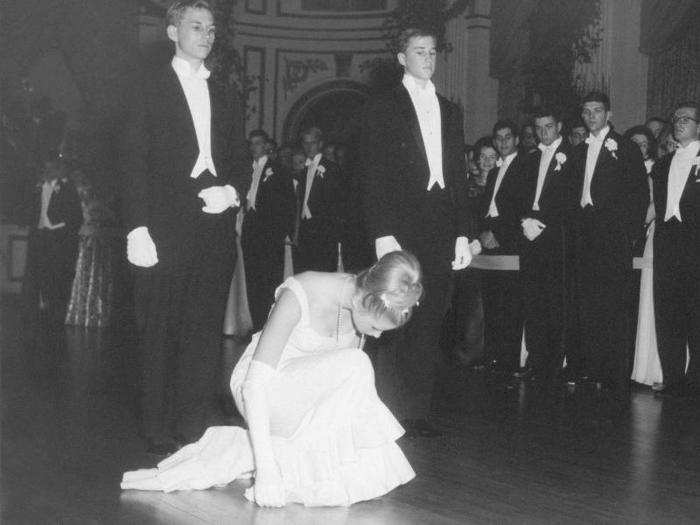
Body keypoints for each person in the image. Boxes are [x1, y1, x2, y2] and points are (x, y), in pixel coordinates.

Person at [121, 251, 422, 506]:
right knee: (357, 363)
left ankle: (274, 456)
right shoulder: (301, 292)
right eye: (376, 325)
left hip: (298, 397)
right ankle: (272, 459)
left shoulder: (359, 308)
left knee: (355, 377)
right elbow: (255, 385)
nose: (377, 335)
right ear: (365, 300)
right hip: (259, 388)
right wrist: (266, 472)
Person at [119, 0, 249, 454]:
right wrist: (137, 227)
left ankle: (191, 426)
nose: (207, 35)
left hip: (213, 230)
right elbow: (132, 160)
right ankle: (155, 428)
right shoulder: (146, 86)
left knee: (202, 329)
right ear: (173, 32)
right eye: (197, 26)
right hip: (162, 228)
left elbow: (240, 159)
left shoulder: (227, 93)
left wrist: (231, 192)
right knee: (158, 329)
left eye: (211, 28)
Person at [360, 27, 475, 437]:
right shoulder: (381, 105)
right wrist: (382, 232)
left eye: (432, 52)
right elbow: (372, 173)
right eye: (419, 51)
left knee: (431, 318)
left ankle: (417, 411)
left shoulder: (450, 108)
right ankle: (387, 409)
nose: (427, 58)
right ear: (401, 58)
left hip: (442, 225)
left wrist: (463, 232)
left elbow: (458, 175)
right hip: (400, 226)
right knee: (395, 315)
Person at [569, 91, 647, 407]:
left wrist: (627, 235)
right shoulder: (578, 150)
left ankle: (616, 374)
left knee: (614, 306)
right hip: (585, 235)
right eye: (586, 111)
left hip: (613, 238)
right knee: (587, 305)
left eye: (597, 111)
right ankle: (592, 369)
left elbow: (639, 194)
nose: (591, 116)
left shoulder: (625, 148)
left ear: (609, 114)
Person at [519, 107, 575, 386]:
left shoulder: (573, 155)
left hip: (556, 236)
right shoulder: (529, 159)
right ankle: (536, 359)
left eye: (549, 127)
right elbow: (516, 196)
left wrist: (545, 223)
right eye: (539, 128)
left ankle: (553, 364)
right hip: (530, 234)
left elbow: (572, 201)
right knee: (534, 299)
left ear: (559, 126)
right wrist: (525, 220)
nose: (544, 133)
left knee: (555, 302)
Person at [651, 101, 700, 398]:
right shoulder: (663, 163)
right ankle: (673, 378)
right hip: (668, 242)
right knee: (668, 313)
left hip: (695, 243)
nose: (679, 122)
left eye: (687, 118)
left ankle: (696, 382)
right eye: (676, 118)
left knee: (696, 314)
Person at [479, 120, 528, 376]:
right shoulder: (497, 170)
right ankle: (493, 356)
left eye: (508, 137)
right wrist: (485, 231)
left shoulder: (524, 166)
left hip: (510, 242)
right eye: (498, 138)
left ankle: (508, 360)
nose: (503, 142)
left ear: (516, 139)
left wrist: (498, 233)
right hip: (491, 243)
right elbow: (489, 207)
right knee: (493, 303)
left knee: (510, 305)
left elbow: (522, 208)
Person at [445, 137, 495, 368]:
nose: (486, 161)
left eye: (491, 156)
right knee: (470, 305)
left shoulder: (500, 182)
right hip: (470, 251)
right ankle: (466, 353)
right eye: (482, 157)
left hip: (493, 251)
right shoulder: (467, 185)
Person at [242, 129, 296, 331]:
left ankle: (269, 326)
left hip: (270, 234)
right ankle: (257, 325)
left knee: (270, 281)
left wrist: (281, 232)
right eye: (251, 143)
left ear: (266, 146)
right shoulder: (247, 169)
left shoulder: (278, 170)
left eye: (258, 143)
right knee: (253, 281)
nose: (254, 147)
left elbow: (288, 202)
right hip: (251, 232)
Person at [22, 155, 82, 332]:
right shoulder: (37, 187)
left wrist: (61, 227)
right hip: (39, 236)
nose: (47, 173)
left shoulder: (67, 188)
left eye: (51, 169)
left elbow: (75, 216)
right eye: (45, 169)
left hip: (58, 239)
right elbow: (29, 208)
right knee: (35, 273)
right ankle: (33, 312)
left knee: (56, 275)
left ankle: (55, 314)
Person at [294, 126, 343, 273]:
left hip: (324, 232)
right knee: (305, 272)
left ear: (320, 144)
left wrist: (333, 233)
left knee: (323, 272)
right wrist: (297, 231)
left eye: (312, 143)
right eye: (305, 143)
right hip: (305, 230)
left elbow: (336, 203)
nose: (308, 147)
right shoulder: (304, 170)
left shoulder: (331, 169)